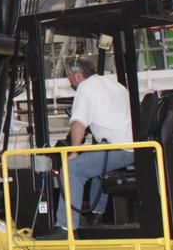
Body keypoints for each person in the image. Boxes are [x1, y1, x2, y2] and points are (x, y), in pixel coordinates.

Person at [56, 56, 134, 229]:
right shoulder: (115, 85)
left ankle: (65, 228)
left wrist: (74, 152)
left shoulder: (85, 87)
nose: (70, 80)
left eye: (69, 76)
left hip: (119, 149)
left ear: (77, 76)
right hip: (133, 147)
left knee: (71, 169)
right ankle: (96, 216)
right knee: (96, 163)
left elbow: (78, 122)